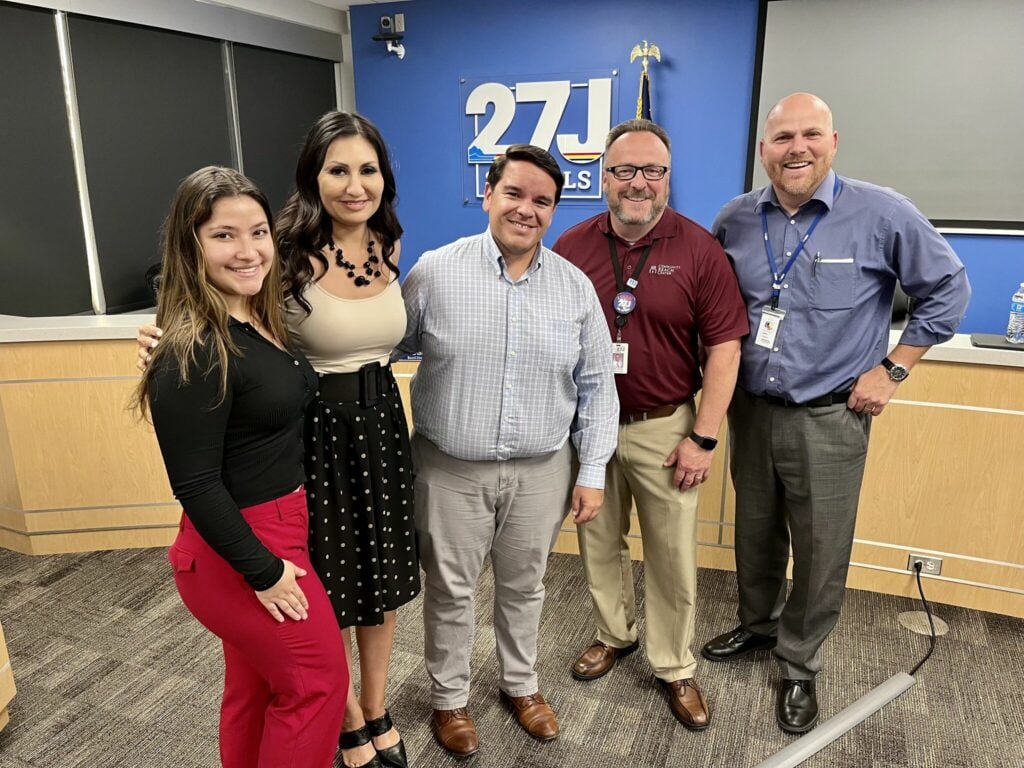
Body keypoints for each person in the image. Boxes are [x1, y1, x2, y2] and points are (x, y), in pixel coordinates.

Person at [138, 112, 418, 768]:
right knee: (317, 667)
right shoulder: (278, 267)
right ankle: (350, 726)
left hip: (372, 438)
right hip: (300, 465)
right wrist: (162, 330)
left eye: (368, 168)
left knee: (268, 675)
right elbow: (197, 471)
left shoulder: (378, 251)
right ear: (312, 180)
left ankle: (374, 712)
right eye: (337, 169)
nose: (248, 250)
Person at [703, 92, 971, 733]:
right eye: (783, 137)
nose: (797, 148)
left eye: (810, 135)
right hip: (750, 411)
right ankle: (759, 625)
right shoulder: (735, 219)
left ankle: (799, 663)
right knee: (755, 533)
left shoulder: (881, 213)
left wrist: (894, 368)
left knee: (821, 548)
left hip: (829, 416)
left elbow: (949, 287)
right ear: (763, 149)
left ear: (833, 140)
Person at [396, 144, 619, 758]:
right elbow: (384, 347)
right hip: (448, 470)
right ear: (488, 194)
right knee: (450, 589)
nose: (527, 209)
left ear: (553, 211)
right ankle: (450, 699)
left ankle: (521, 686)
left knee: (526, 586)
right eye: (515, 194)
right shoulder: (435, 272)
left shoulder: (574, 288)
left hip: (542, 470)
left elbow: (599, 384)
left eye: (542, 201)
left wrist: (593, 469)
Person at [133, 166, 348, 768]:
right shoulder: (195, 345)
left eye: (258, 232)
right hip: (240, 547)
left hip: (274, 527)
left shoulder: (253, 317)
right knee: (316, 683)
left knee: (255, 690)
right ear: (191, 243)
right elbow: (195, 483)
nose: (248, 250)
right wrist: (263, 572)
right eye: (224, 235)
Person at [553, 119, 747, 731]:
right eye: (624, 171)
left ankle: (673, 664)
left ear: (668, 178)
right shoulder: (573, 246)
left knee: (671, 555)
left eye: (653, 171)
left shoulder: (699, 249)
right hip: (588, 429)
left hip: (666, 426)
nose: (639, 183)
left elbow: (726, 347)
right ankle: (615, 633)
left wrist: (703, 435)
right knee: (597, 541)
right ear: (603, 177)